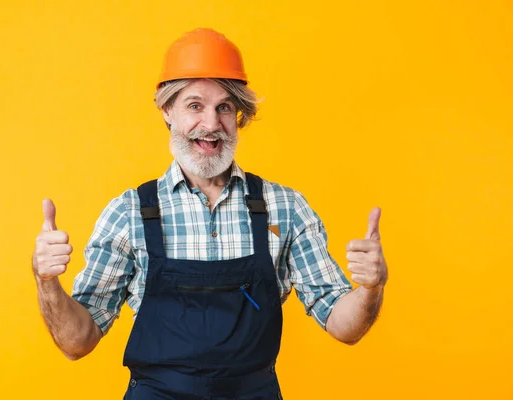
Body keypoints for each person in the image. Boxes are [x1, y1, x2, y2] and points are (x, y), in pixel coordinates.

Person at [32, 28, 388, 399]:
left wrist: (371, 288)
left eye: (224, 107)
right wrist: (46, 282)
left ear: (239, 115)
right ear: (167, 110)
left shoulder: (286, 207)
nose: (212, 124)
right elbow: (77, 342)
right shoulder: (129, 213)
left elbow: (344, 327)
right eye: (195, 105)